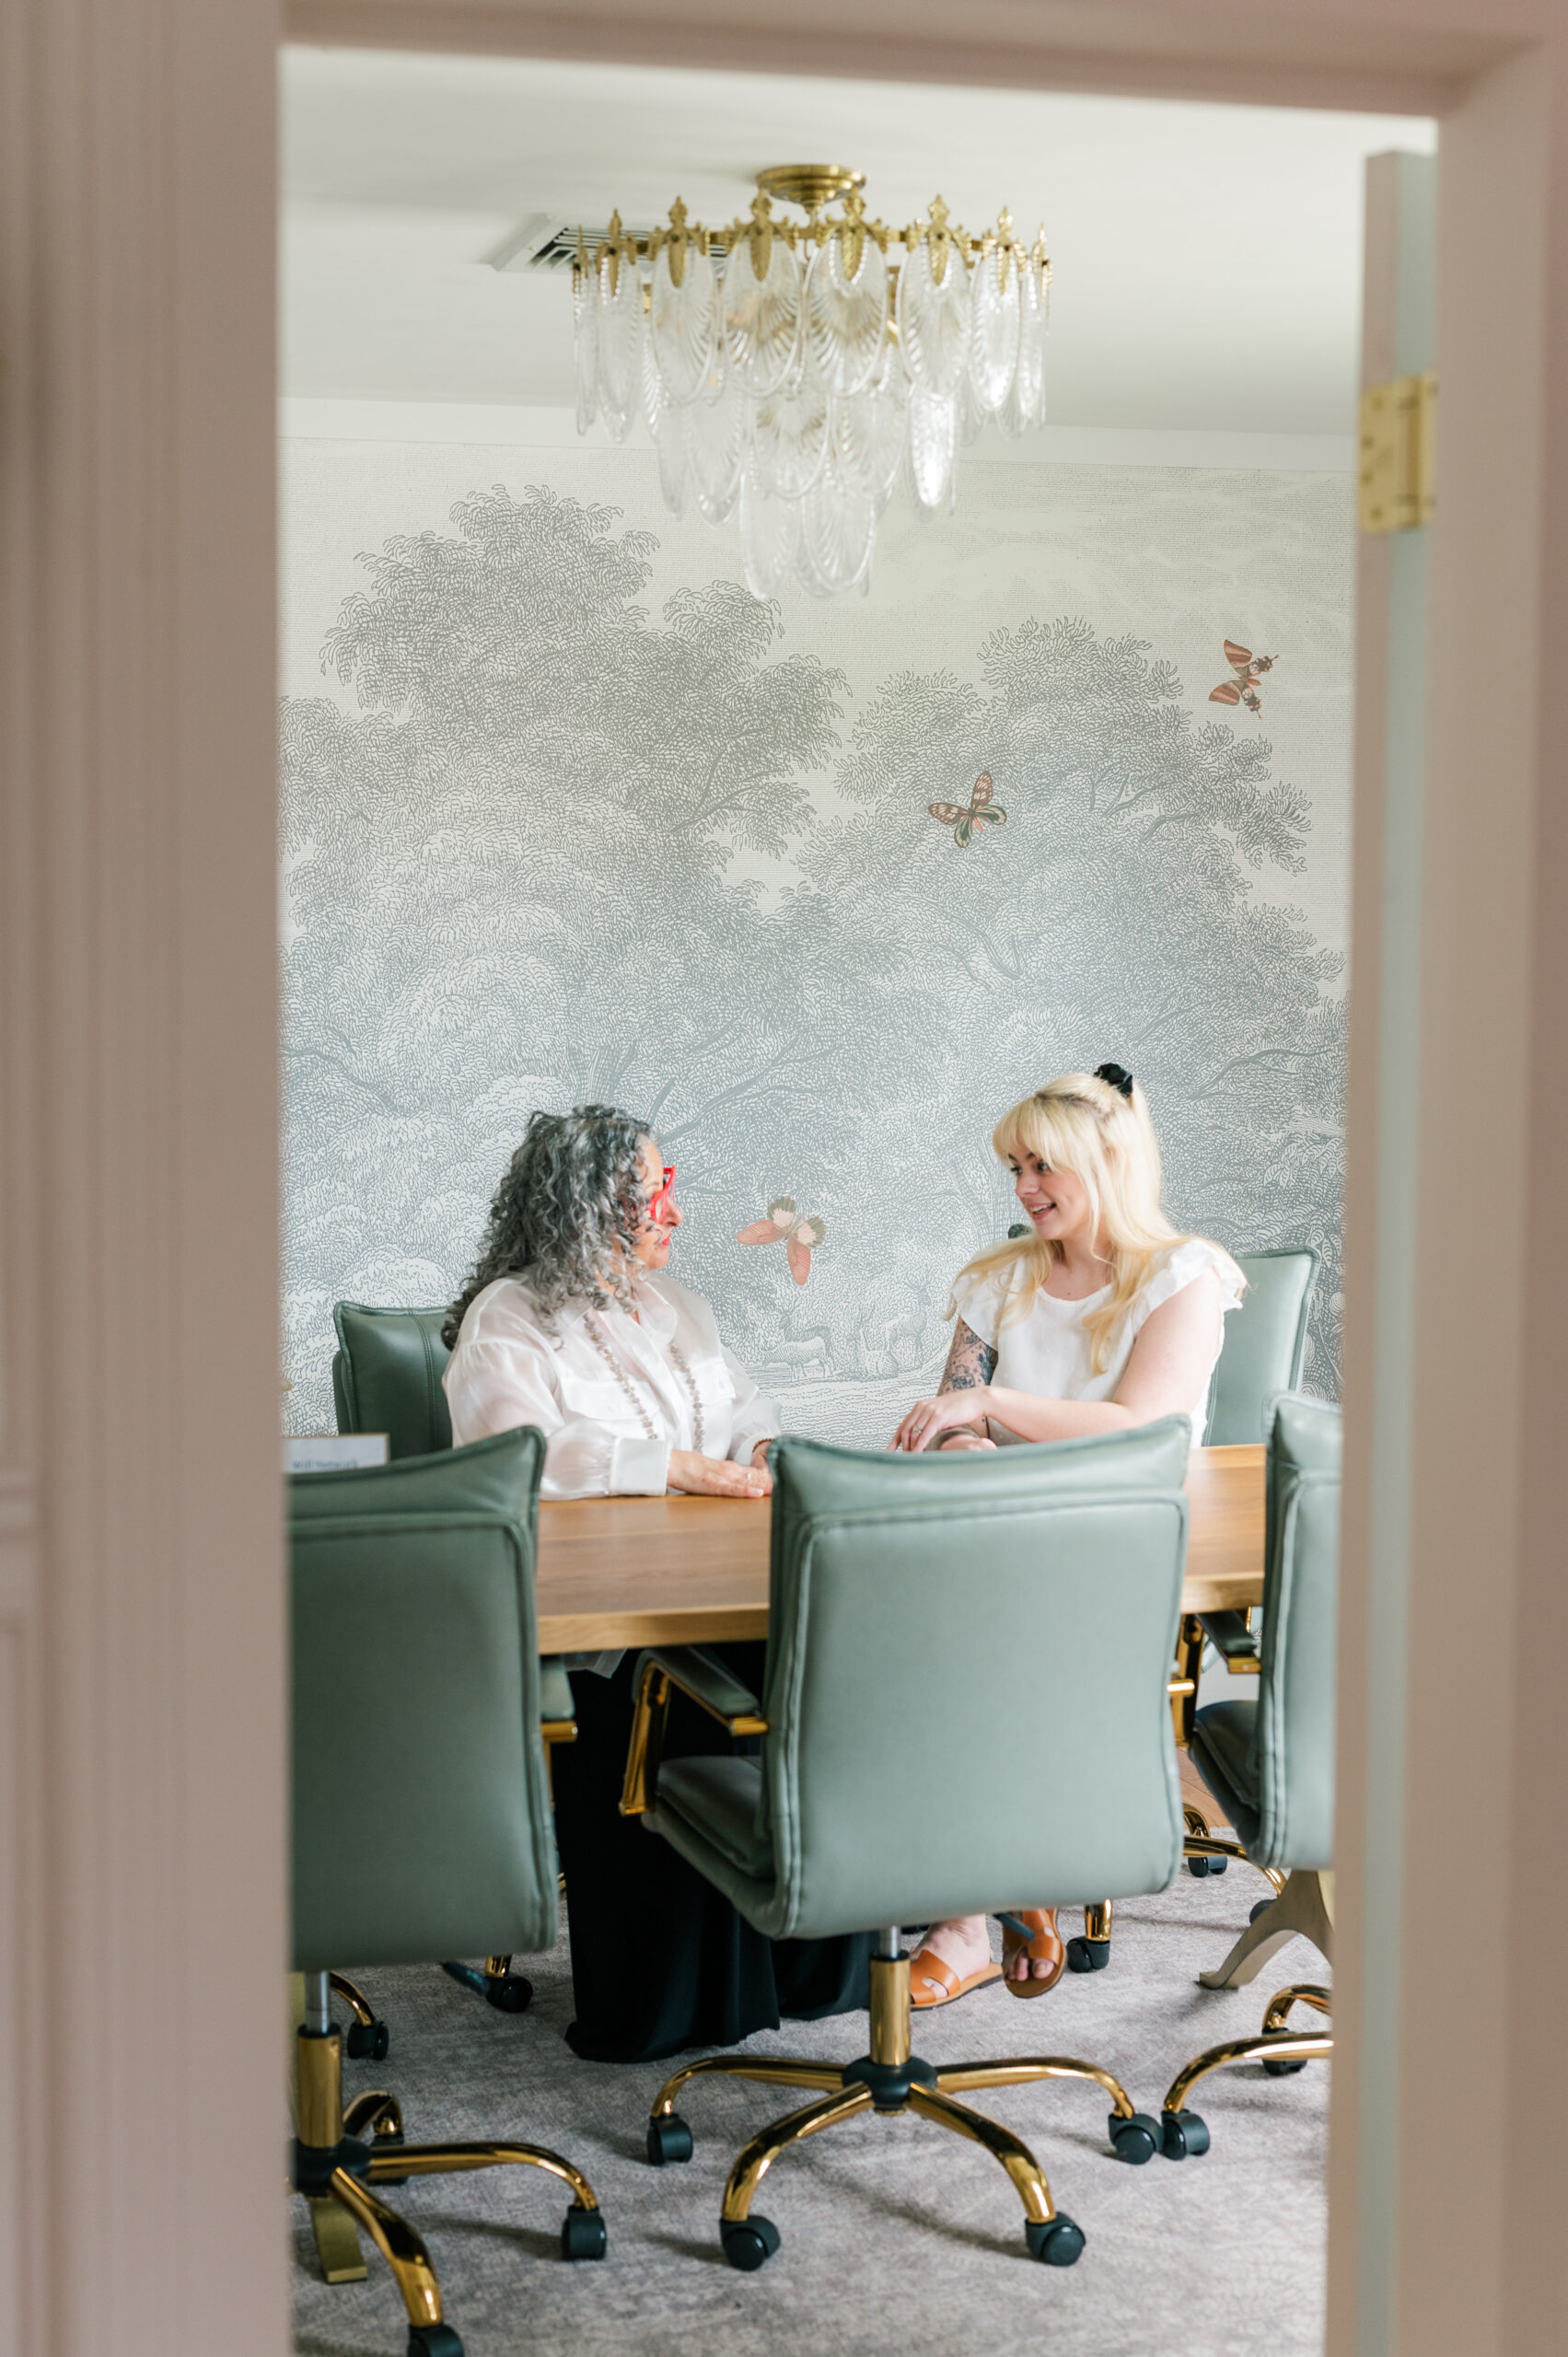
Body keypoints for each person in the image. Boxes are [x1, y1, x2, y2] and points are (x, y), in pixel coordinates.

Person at [443, 1104, 870, 2061]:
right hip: (601, 1615)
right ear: (586, 1207)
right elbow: (515, 1454)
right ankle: (680, 2005)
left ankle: (812, 1970)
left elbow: (744, 1412)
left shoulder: (679, 1307)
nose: (674, 1212)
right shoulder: (506, 1317)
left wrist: (760, 1449)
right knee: (684, 1682)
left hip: (725, 1577)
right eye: (652, 1194)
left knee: (821, 1652)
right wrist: (675, 1467)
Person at [889, 1063, 1244, 2009]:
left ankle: (967, 1916)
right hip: (998, 1533)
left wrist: (989, 1406)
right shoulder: (994, 1279)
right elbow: (953, 1416)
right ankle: (1008, 1875)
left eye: (1041, 1165)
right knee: (892, 1623)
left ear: (1106, 1160)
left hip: (1117, 1544)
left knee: (967, 1641)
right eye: (1013, 1167)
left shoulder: (1183, 1275)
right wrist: (963, 1443)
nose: (1022, 1188)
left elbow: (1139, 1426)